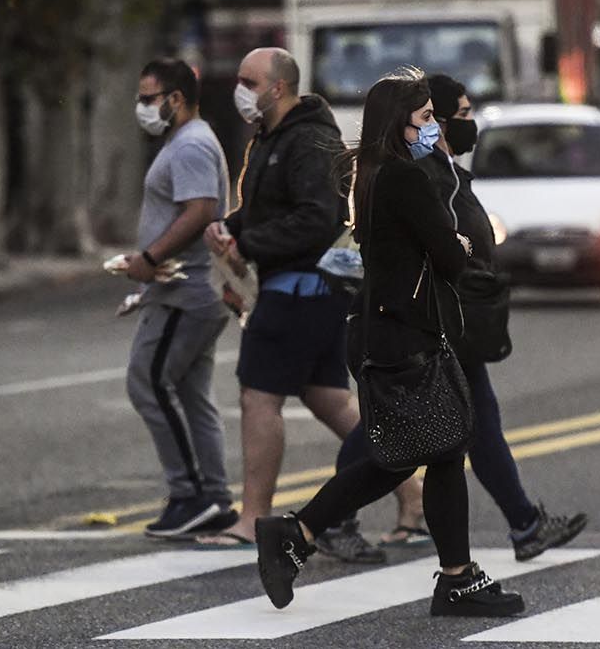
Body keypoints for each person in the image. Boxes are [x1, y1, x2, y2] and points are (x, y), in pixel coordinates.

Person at [253, 69, 524, 617]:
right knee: (428, 451)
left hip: (389, 331)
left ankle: (448, 574)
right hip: (404, 335)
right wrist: (464, 242)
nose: (432, 129)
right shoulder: (405, 179)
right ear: (400, 125)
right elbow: (449, 256)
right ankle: (304, 533)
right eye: (425, 119)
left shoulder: (372, 174)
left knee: (417, 453)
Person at [199, 48, 422, 559]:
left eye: (248, 81)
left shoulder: (309, 140)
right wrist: (231, 227)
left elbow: (317, 219)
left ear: (278, 87)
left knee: (259, 397)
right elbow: (269, 209)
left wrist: (248, 245)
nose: (240, 90)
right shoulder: (274, 137)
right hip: (306, 290)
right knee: (327, 398)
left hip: (298, 290)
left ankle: (254, 516)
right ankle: (414, 495)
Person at [406, 74, 587, 559]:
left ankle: (525, 524)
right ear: (435, 121)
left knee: (477, 426)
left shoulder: (445, 169)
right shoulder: (425, 174)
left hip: (457, 323)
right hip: (437, 323)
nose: (471, 123)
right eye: (462, 114)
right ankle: (310, 526)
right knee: (393, 435)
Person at [124, 58, 237, 538]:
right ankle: (213, 497)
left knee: (147, 383)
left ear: (175, 99)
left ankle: (189, 495)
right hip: (189, 287)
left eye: (149, 98)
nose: (142, 108)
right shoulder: (186, 141)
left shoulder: (190, 144)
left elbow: (199, 212)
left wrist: (150, 257)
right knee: (192, 394)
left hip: (185, 289)